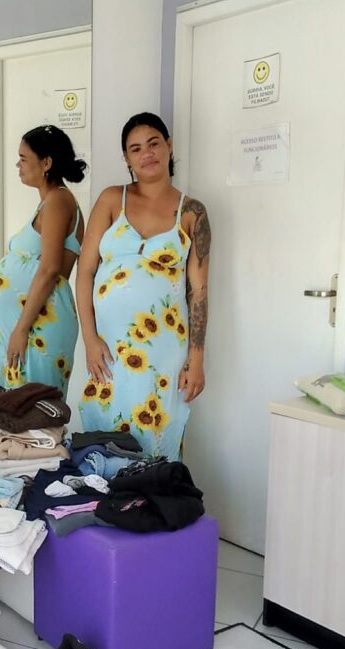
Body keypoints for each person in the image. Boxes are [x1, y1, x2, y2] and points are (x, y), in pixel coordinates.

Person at [76, 112, 211, 460]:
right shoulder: (111, 199)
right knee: (105, 430)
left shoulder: (192, 212)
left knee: (157, 430)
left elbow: (198, 291)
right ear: (126, 158)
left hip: (164, 348)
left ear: (169, 146)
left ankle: (155, 493)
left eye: (153, 144)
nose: (146, 154)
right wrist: (89, 339)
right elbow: (85, 272)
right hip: (110, 346)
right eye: (135, 149)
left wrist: (196, 359)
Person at [0, 125, 86, 394]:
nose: (18, 165)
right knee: (11, 407)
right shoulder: (49, 202)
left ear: (46, 163)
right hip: (26, 325)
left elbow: (50, 268)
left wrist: (21, 329)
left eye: (23, 158)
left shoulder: (58, 201)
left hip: (37, 327)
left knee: (31, 407)